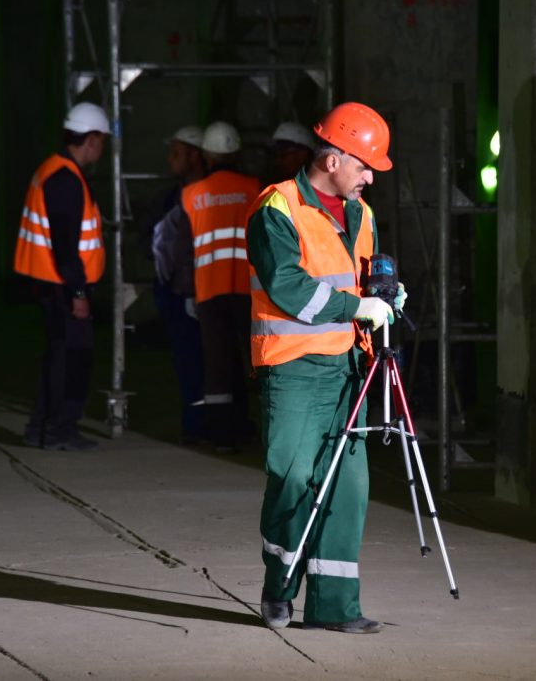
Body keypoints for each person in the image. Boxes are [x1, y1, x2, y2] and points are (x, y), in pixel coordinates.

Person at [248, 102, 405, 634]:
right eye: (364, 167)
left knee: (347, 487)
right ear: (334, 159)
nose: (369, 178)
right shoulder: (277, 208)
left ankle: (335, 608)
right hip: (293, 370)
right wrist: (356, 306)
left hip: (348, 371)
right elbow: (290, 289)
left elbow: (360, 281)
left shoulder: (361, 216)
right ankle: (279, 588)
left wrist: (383, 296)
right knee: (292, 478)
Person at [162, 121, 261, 451]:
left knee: (217, 364)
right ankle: (250, 427)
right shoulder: (254, 188)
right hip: (249, 291)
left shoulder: (193, 194)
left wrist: (186, 291)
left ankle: (220, 434)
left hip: (208, 292)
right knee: (253, 361)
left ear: (205, 155)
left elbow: (183, 250)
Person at [16, 102, 109, 451]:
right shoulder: (65, 179)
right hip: (64, 287)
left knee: (58, 357)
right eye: (102, 141)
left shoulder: (52, 171)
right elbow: (66, 244)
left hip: (52, 284)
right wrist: (80, 294)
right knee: (70, 360)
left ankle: (42, 427)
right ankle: (58, 429)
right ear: (92, 139)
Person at [152, 126, 208, 443]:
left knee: (199, 363)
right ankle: (196, 423)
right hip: (177, 290)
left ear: (194, 155)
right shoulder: (174, 196)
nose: (170, 159)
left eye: (177, 153)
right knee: (188, 364)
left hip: (197, 291)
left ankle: (200, 426)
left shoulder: (201, 195)